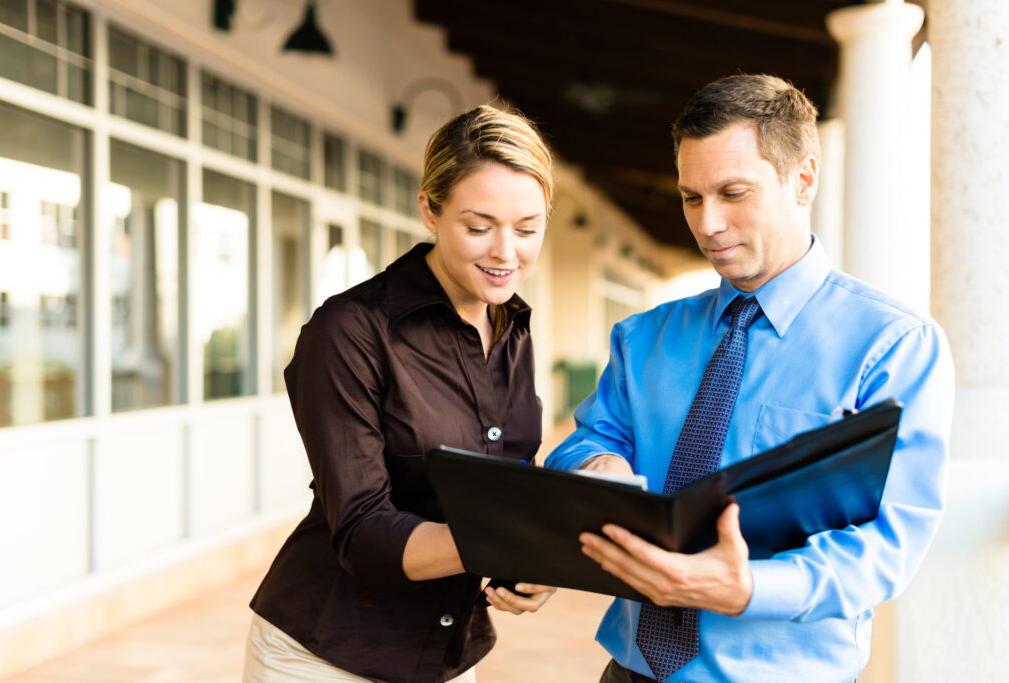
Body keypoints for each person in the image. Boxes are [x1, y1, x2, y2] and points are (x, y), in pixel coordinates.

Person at [544, 74, 954, 683]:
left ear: (803, 179)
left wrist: (750, 588)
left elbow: (891, 538)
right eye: (691, 197)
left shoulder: (893, 346)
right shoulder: (643, 337)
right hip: (627, 671)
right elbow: (588, 439)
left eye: (733, 192)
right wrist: (594, 464)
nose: (708, 223)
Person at [243, 104, 558, 683]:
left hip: (445, 655)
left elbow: (501, 488)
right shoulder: (350, 331)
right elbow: (362, 531)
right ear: (429, 211)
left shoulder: (512, 328)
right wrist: (509, 537)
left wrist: (529, 561)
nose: (505, 252)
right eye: (479, 226)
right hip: (321, 658)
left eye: (527, 228)